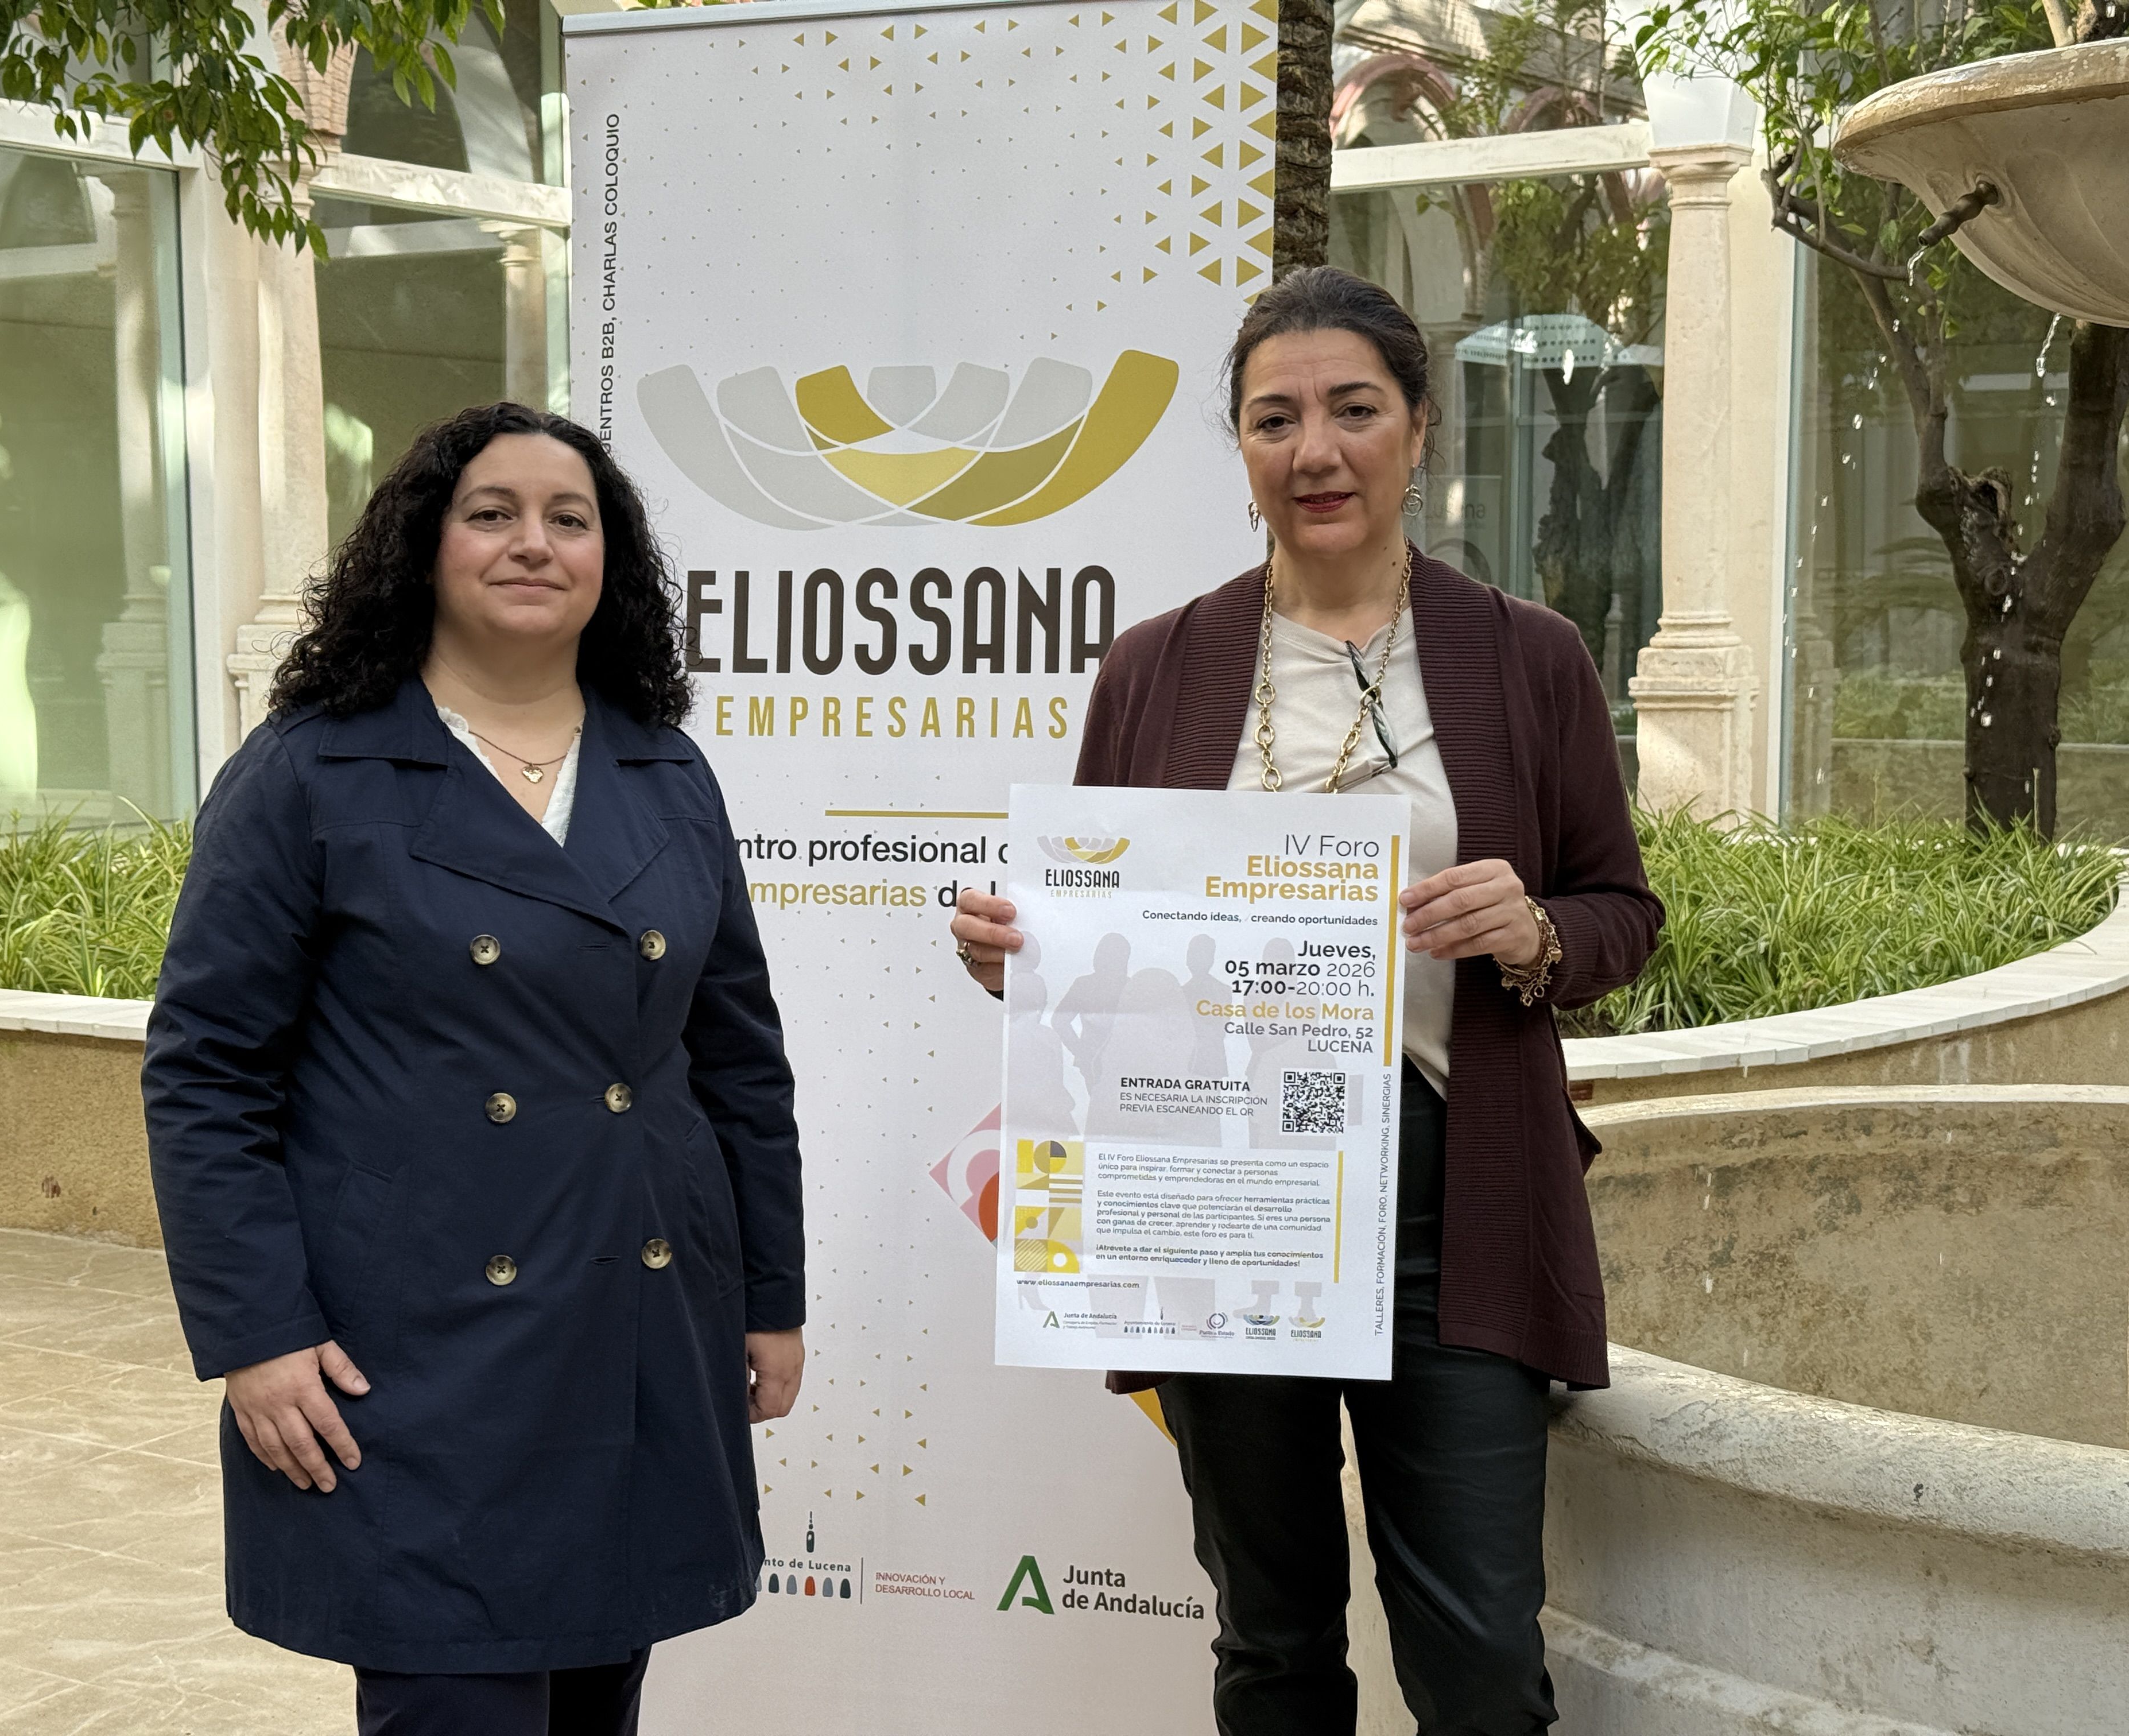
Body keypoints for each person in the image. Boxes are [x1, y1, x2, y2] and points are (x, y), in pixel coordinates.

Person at [949, 268, 1663, 1736]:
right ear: (1241, 447)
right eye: (1275, 418)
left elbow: (1621, 912)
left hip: (1451, 1202)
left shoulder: (1530, 656)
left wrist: (1533, 930)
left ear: (1419, 431)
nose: (1315, 449)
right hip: (1224, 1199)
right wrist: (1026, 954)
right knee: (1270, 1643)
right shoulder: (1159, 666)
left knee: (1477, 1661)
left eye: (1353, 410)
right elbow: (1099, 931)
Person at [144, 401, 806, 1736]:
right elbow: (208, 1070)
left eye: (571, 520)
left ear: (610, 560)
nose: (533, 544)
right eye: (491, 513)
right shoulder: (311, 768)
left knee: (592, 1698)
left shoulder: (667, 773)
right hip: (415, 1349)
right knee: (453, 1696)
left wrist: (772, 1298)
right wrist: (256, 1334)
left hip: (638, 1318)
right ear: (422, 545)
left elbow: (739, 1061)